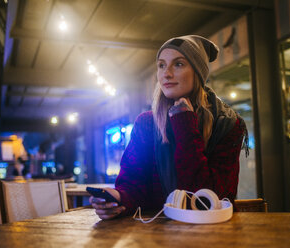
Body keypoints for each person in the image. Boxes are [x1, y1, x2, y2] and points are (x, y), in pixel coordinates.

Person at [90, 35, 248, 220]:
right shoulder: (147, 124)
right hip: (158, 233)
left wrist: (185, 124)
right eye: (161, 65)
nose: (166, 73)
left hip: (215, 231)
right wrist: (118, 199)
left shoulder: (228, 124)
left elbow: (208, 198)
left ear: (198, 72)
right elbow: (134, 185)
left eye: (178, 64)